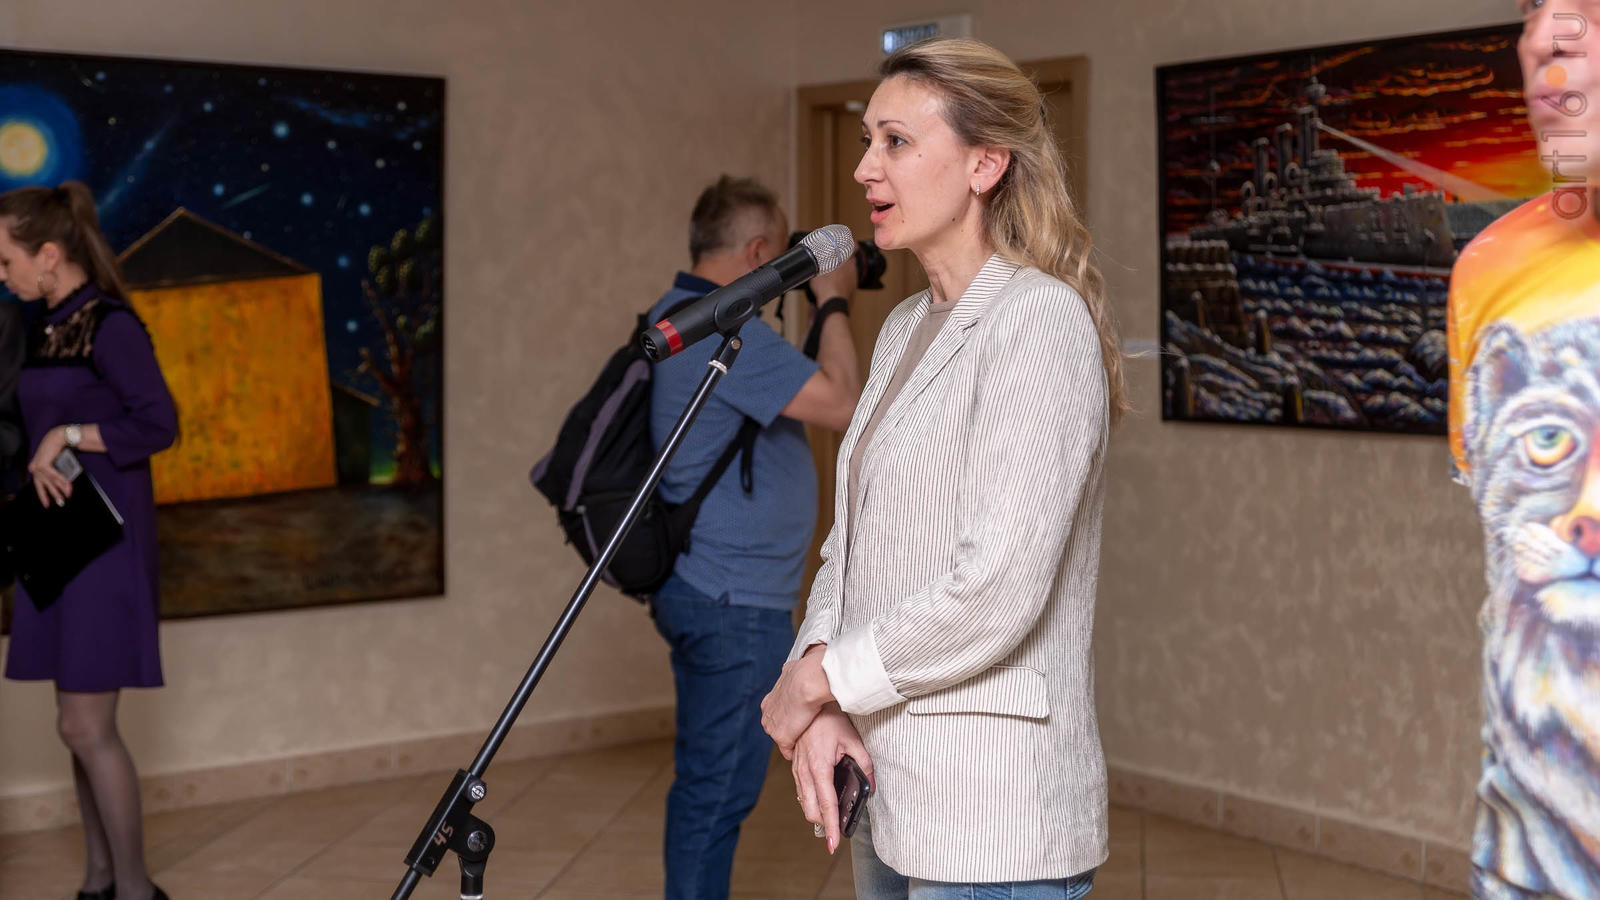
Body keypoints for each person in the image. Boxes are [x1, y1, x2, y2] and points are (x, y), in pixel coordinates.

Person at [759, 38, 1127, 899]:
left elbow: (998, 586)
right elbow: (848, 548)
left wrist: (820, 679)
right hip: (887, 788)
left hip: (994, 815)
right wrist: (823, 698)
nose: (865, 169)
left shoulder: (1039, 321)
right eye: (866, 141)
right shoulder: (902, 330)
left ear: (985, 164)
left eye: (896, 142)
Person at [645, 174, 862, 899]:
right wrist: (833, 298)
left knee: (708, 784)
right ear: (763, 252)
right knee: (716, 795)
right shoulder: (721, 330)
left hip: (708, 587)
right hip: (732, 601)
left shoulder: (680, 315)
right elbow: (844, 402)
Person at [1448, 3, 1600, 897]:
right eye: (1530, 11)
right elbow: (1505, 554)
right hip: (1529, 849)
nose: (1545, 38)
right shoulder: (1489, 268)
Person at [0, 182, 178, 900]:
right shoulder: (39, 327)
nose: (2, 275)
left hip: (104, 545)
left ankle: (136, 890)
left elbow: (159, 425)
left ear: (48, 254)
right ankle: (99, 880)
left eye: (5, 260)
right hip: (56, 541)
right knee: (74, 724)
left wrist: (68, 434)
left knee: (84, 725)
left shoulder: (112, 325)